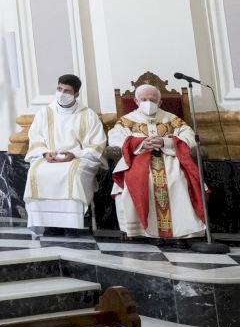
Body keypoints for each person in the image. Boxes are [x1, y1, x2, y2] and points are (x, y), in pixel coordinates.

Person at [108, 84, 205, 244]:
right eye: (144, 99)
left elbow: (189, 137)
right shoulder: (126, 121)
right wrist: (140, 143)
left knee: (178, 179)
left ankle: (182, 232)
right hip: (138, 159)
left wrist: (165, 142)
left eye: (152, 100)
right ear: (136, 101)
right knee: (138, 180)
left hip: (169, 158)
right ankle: (145, 232)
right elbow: (115, 139)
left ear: (160, 102)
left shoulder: (172, 119)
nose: (148, 103)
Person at [24, 74, 106, 235]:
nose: (61, 93)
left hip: (79, 157)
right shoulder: (45, 113)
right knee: (36, 172)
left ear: (76, 94)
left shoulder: (88, 114)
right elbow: (35, 138)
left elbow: (96, 144)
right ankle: (49, 224)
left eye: (67, 91)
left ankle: (72, 224)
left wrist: (74, 154)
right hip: (49, 158)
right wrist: (45, 153)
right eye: (59, 88)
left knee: (73, 175)